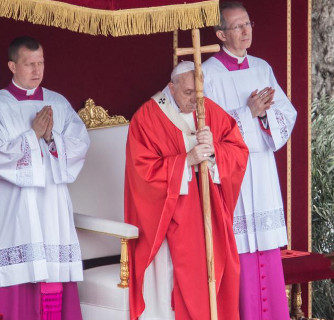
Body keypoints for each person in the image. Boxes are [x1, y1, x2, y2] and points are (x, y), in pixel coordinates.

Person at [0, 36, 90, 320]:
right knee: (16, 278)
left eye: (41, 63)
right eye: (29, 64)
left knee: (50, 267)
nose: (37, 71)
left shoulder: (57, 103)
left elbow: (79, 144)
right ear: (12, 66)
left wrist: (52, 138)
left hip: (51, 204)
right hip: (13, 208)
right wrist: (33, 135)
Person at [125, 61, 249, 320]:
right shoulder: (147, 117)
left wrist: (215, 150)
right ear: (172, 87)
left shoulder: (210, 110)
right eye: (188, 93)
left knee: (220, 268)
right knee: (187, 272)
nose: (195, 100)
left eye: (199, 93)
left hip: (209, 205)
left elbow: (238, 150)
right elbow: (142, 172)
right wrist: (186, 161)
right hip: (170, 209)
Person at [201, 2, 298, 320]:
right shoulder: (208, 74)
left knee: (266, 250)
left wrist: (266, 114)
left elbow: (287, 113)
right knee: (241, 249)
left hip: (263, 168)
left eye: (248, 24)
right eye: (237, 26)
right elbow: (206, 130)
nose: (245, 31)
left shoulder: (262, 67)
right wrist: (249, 112)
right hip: (234, 172)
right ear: (220, 34)